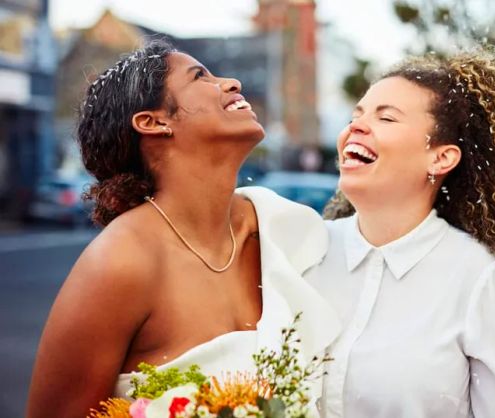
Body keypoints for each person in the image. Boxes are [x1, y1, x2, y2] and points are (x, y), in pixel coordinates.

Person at [26, 40, 338, 418]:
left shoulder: (289, 228)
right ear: (153, 121)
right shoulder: (119, 262)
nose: (233, 82)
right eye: (200, 77)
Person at [306, 49, 495, 417]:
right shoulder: (308, 250)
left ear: (441, 158)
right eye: (356, 115)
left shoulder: (482, 281)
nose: (355, 127)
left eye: (386, 117)